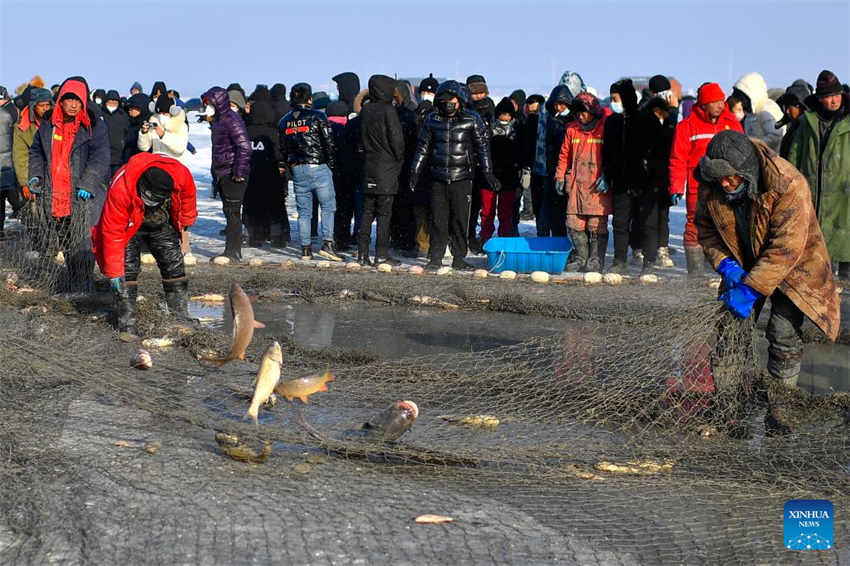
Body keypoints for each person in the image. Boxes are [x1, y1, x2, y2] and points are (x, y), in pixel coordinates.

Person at [695, 130, 840, 435]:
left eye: (730, 178)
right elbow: (706, 230)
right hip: (741, 261)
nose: (724, 184)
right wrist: (726, 265)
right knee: (728, 333)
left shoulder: (788, 183)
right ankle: (727, 410)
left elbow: (785, 248)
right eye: (719, 178)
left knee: (783, 332)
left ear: (746, 170)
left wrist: (752, 287)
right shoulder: (710, 183)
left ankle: (780, 410)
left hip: (794, 267)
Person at [92, 153, 197, 338]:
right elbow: (112, 233)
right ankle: (127, 322)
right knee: (127, 268)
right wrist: (115, 273)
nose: (151, 201)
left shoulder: (181, 174)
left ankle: (180, 316)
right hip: (129, 223)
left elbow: (188, 195)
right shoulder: (121, 189)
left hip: (160, 221)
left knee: (173, 263)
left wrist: (186, 218)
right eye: (149, 197)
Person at [28, 76, 110, 293]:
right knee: (65, 239)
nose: (73, 104)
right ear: (61, 100)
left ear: (83, 102)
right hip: (54, 194)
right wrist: (35, 175)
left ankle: (83, 287)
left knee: (82, 241)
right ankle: (75, 283)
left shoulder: (93, 125)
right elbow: (36, 151)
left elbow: (100, 157)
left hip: (80, 195)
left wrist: (89, 182)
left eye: (78, 100)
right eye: (69, 99)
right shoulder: (48, 124)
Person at [410, 80, 499, 271]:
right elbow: (422, 148)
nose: (448, 103)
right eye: (444, 100)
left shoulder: (472, 119)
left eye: (452, 99)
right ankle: (435, 257)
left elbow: (483, 148)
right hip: (438, 176)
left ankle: (459, 257)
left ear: (460, 100)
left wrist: (488, 173)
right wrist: (414, 172)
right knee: (438, 219)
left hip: (462, 177)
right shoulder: (432, 119)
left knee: (460, 219)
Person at [669, 82, 743, 276]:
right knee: (694, 226)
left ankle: (726, 272)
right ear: (704, 104)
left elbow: (743, 153)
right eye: (715, 101)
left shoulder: (732, 123)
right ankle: (695, 274)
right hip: (698, 187)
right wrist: (676, 185)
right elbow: (678, 158)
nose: (720, 105)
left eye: (721, 101)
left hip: (728, 187)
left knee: (728, 225)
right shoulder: (687, 126)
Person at [787, 70, 850, 280]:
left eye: (836, 95)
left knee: (846, 256)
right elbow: (795, 159)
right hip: (814, 199)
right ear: (819, 98)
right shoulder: (807, 123)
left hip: (845, 199)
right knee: (817, 264)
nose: (833, 101)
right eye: (827, 96)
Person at [279, 82, 341, 261]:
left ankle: (305, 249)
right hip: (318, 166)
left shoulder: (284, 121)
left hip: (297, 169)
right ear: (309, 98)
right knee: (328, 207)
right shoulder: (317, 116)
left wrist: (288, 165)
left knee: (304, 211)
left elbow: (283, 148)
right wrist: (330, 164)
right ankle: (328, 244)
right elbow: (328, 143)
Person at [554, 92, 611, 273]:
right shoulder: (572, 130)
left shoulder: (604, 129)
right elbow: (564, 155)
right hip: (577, 185)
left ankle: (596, 259)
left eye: (584, 113)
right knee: (574, 222)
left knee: (596, 224)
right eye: (578, 113)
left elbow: (612, 156)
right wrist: (560, 176)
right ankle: (581, 256)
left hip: (597, 186)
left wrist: (608, 176)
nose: (581, 116)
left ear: (592, 111)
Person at [357, 75, 405, 266]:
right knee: (384, 214)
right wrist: (399, 158)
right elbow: (397, 139)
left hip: (369, 164)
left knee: (367, 212)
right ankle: (381, 254)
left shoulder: (366, 110)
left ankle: (362, 253)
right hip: (386, 167)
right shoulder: (388, 110)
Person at [201, 86, 251, 263]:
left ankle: (233, 251)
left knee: (233, 213)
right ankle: (231, 250)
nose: (207, 107)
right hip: (222, 171)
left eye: (209, 103)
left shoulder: (232, 120)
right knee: (229, 212)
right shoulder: (218, 121)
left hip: (232, 172)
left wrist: (238, 172)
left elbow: (244, 147)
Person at [244, 91, 286, 248]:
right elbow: (280, 153)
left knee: (253, 207)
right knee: (275, 206)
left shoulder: (246, 131)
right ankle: (276, 237)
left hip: (251, 175)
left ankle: (255, 236)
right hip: (271, 174)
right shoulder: (273, 133)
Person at [12, 87, 52, 249]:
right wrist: (24, 183)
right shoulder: (22, 126)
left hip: (55, 171)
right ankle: (39, 245)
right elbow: (20, 157)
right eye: (41, 105)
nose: (45, 109)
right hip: (32, 173)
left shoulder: (57, 121)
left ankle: (57, 245)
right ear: (34, 106)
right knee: (33, 212)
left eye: (48, 105)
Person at [482, 97, 519, 244]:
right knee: (487, 211)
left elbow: (522, 152)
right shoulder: (489, 130)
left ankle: (504, 238)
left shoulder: (517, 130)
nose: (505, 117)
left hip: (509, 176)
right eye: (502, 114)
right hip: (490, 174)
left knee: (505, 212)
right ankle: (485, 237)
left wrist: (522, 168)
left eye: (508, 114)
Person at [540, 84, 574, 237]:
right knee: (555, 211)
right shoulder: (551, 121)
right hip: (553, 169)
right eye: (556, 104)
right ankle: (558, 240)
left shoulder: (574, 122)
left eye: (562, 104)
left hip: (570, 171)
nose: (559, 107)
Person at [411, 74, 439, 257]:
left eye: (430, 92)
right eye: (424, 92)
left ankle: (435, 244)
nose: (427, 95)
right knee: (420, 209)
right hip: (419, 169)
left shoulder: (438, 116)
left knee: (435, 209)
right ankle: (423, 244)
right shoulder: (414, 113)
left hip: (434, 168)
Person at [732, 72, 784, 152]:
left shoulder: (767, 109)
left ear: (752, 94)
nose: (741, 102)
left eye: (743, 98)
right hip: (756, 159)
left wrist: (754, 145)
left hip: (772, 160)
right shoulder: (750, 114)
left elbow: (775, 136)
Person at [138, 95, 189, 164]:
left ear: (172, 112)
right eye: (159, 113)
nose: (161, 116)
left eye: (164, 113)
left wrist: (163, 135)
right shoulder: (154, 122)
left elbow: (180, 149)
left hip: (175, 166)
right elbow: (144, 147)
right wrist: (144, 133)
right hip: (157, 165)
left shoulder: (181, 126)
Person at [520, 94, 546, 230]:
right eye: (530, 112)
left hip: (545, 168)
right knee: (536, 204)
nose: (533, 115)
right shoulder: (524, 123)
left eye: (536, 112)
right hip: (530, 168)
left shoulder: (548, 124)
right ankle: (541, 233)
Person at [0, 86, 20, 237]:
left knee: (10, 195)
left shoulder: (6, 113)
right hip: (10, 159)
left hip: (7, 160)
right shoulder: (14, 111)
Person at [775, 80, 811, 159]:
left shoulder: (809, 131)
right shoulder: (792, 131)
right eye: (786, 107)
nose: (787, 111)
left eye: (790, 108)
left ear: (800, 107)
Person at [101, 90, 130, 177]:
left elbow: (127, 134)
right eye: (110, 101)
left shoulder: (123, 116)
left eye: (115, 101)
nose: (112, 103)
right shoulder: (100, 114)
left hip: (118, 157)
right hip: (102, 154)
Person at [123, 93, 151, 163]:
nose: (130, 110)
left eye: (133, 108)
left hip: (144, 163)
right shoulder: (128, 122)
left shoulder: (149, 125)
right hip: (128, 162)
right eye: (129, 108)